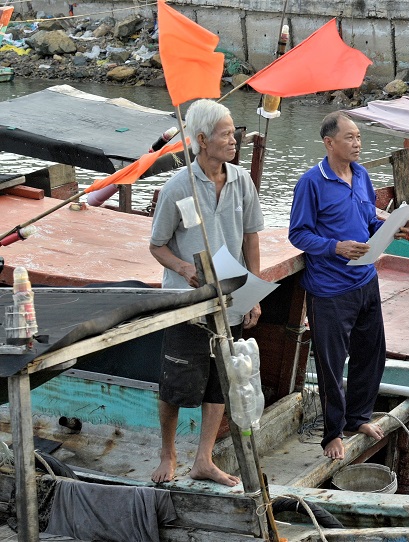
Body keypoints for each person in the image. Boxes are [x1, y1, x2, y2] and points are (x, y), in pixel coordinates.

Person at [149, 99, 264, 486]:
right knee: (175, 382)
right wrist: (184, 268)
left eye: (234, 133)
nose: (234, 140)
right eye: (226, 134)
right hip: (188, 304)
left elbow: (251, 239)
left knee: (222, 381)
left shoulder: (241, 181)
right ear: (201, 139)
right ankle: (168, 454)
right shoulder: (177, 187)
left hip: (230, 298)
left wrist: (253, 293)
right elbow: (157, 245)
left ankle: (203, 459)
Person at [289, 111, 389, 461]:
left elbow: (369, 219)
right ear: (329, 143)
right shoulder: (311, 183)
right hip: (329, 288)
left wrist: (391, 229)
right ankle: (332, 433)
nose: (357, 143)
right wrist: (336, 247)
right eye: (349, 137)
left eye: (358, 136)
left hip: (366, 279)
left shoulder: (361, 175)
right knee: (331, 364)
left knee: (371, 354)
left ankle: (358, 418)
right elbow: (298, 234)